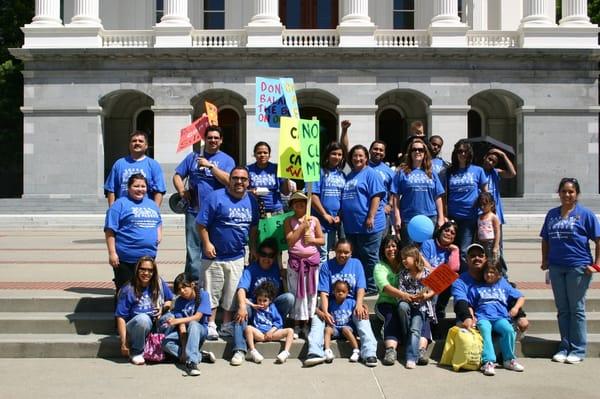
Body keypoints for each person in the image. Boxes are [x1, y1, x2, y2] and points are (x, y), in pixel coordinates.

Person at [540, 177, 600, 364]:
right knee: (563, 310)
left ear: (577, 194)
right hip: (557, 267)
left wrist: (596, 264)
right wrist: (545, 260)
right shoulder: (552, 214)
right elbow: (545, 239)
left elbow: (598, 240)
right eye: (564, 191)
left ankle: (578, 349)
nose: (567, 195)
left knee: (577, 309)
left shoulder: (585, 214)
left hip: (578, 267)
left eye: (571, 191)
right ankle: (564, 347)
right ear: (559, 193)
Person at [196, 166, 259, 340]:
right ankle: (210, 324)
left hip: (237, 256)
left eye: (243, 179)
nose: (239, 182)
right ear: (229, 179)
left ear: (248, 182)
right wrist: (207, 243)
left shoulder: (252, 201)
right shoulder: (215, 197)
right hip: (213, 256)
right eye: (235, 178)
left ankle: (225, 325)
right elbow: (201, 224)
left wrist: (252, 248)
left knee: (231, 293)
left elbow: (253, 228)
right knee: (211, 291)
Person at [173, 125, 235, 281]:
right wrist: (182, 191)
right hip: (194, 210)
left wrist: (210, 166)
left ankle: (212, 280)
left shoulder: (227, 160)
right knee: (193, 248)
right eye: (209, 138)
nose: (212, 140)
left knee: (213, 247)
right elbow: (177, 176)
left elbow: (230, 181)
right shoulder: (193, 157)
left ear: (221, 140)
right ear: (204, 139)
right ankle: (193, 282)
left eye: (216, 138)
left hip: (217, 212)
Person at [304, 239, 378, 367]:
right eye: (339, 252)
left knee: (362, 315)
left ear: (351, 253)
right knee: (318, 318)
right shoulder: (327, 266)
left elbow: (361, 288)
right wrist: (326, 312)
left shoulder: (356, 264)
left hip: (351, 304)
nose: (342, 255)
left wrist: (360, 304)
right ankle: (315, 352)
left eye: (346, 252)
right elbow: (324, 293)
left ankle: (369, 353)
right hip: (332, 305)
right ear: (334, 251)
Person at [230, 238, 294, 366]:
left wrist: (284, 275)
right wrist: (243, 306)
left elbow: (284, 290)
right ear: (258, 255)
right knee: (242, 310)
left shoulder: (276, 268)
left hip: (271, 305)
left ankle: (275, 327)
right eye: (264, 254)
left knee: (289, 298)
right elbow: (241, 290)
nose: (267, 258)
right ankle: (239, 350)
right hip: (255, 306)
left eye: (270, 256)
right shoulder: (251, 269)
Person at [452, 243, 529, 335]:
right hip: (469, 316)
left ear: (485, 259)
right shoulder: (460, 281)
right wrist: (468, 318)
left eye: (480, 256)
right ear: (466, 259)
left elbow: (509, 296)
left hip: (497, 316)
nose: (477, 258)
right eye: (472, 256)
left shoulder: (496, 277)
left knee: (517, 325)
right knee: (467, 328)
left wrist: (520, 315)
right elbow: (461, 303)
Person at [104, 173, 162, 291]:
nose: (140, 189)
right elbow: (110, 230)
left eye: (143, 186)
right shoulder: (119, 204)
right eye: (136, 186)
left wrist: (159, 234)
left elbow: (159, 221)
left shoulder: (152, 204)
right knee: (126, 293)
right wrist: (112, 253)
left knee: (145, 292)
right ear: (129, 188)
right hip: (126, 259)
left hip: (148, 258)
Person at [341, 145, 386, 294]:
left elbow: (376, 196)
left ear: (366, 158)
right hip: (352, 226)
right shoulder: (349, 175)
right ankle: (361, 285)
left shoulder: (371, 174)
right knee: (357, 256)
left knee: (370, 255)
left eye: (361, 156)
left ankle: (373, 287)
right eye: (355, 156)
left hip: (369, 224)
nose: (358, 159)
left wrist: (371, 216)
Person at [468, 261, 525, 376]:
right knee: (485, 330)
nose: (489, 275)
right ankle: (488, 361)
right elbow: (469, 304)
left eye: (492, 272)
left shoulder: (503, 284)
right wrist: (472, 316)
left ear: (498, 274)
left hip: (500, 317)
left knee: (508, 330)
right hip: (483, 317)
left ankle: (509, 359)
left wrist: (515, 308)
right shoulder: (477, 286)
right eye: (486, 272)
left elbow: (521, 297)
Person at [114, 256, 173, 365]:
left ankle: (166, 347)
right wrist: (123, 342)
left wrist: (163, 308)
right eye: (143, 269)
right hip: (135, 327)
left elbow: (169, 300)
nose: (146, 273)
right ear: (137, 270)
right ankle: (137, 351)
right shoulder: (128, 289)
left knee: (171, 318)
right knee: (143, 319)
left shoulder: (158, 283)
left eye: (150, 270)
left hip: (155, 323)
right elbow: (120, 317)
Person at [284, 191, 325, 338]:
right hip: (295, 263)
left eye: (302, 202)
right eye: (296, 202)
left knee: (310, 293)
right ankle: (296, 324)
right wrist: (301, 227)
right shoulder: (288, 221)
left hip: (312, 263)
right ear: (292, 205)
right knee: (296, 293)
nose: (299, 204)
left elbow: (322, 240)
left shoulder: (314, 220)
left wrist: (312, 240)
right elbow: (290, 240)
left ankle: (307, 323)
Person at [392, 137, 445, 244]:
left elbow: (438, 196)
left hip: (430, 218)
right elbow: (395, 197)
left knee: (427, 252)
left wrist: (441, 217)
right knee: (410, 253)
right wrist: (397, 217)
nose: (417, 152)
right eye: (414, 149)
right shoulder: (401, 172)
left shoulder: (431, 172)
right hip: (409, 219)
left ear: (425, 153)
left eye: (420, 150)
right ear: (410, 153)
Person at [161, 273, 215, 376]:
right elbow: (182, 327)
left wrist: (177, 321)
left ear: (192, 285)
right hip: (185, 332)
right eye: (179, 289)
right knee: (165, 343)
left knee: (193, 324)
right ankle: (200, 356)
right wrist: (184, 350)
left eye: (184, 287)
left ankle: (191, 363)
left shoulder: (204, 295)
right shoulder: (179, 301)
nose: (182, 291)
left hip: (200, 331)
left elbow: (197, 317)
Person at [446, 140, 488, 266]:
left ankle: (465, 278)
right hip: (452, 216)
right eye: (460, 151)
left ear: (469, 153)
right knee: (451, 249)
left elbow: (485, 194)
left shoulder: (478, 170)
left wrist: (487, 212)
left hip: (469, 217)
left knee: (464, 250)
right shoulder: (449, 171)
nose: (462, 154)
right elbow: (444, 195)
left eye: (465, 151)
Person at [397, 245, 436, 369]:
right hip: (407, 302)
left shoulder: (426, 272)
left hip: (421, 306)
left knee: (415, 329)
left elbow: (434, 289)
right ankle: (406, 335)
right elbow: (401, 290)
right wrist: (409, 296)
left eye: (406, 258)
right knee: (402, 306)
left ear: (415, 258)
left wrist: (425, 296)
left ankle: (411, 357)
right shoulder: (403, 274)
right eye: (402, 259)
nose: (403, 261)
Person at [104, 130, 166, 207]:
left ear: (146, 145)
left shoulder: (154, 165)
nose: (137, 143)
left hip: (145, 210)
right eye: (134, 141)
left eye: (140, 141)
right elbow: (111, 189)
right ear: (129, 145)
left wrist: (155, 210)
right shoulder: (119, 164)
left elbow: (159, 190)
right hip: (123, 209)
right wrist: (112, 209)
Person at [311, 140, 347, 264]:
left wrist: (339, 215)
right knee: (322, 255)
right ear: (327, 155)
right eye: (334, 154)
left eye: (339, 154)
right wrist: (324, 214)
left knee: (334, 253)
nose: (337, 157)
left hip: (335, 222)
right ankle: (320, 283)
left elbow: (344, 198)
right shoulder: (318, 172)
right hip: (320, 222)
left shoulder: (342, 175)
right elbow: (313, 195)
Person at [482, 148, 516, 274]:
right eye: (489, 159)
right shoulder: (478, 172)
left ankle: (502, 274)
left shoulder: (496, 173)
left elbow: (512, 173)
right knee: (484, 246)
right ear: (484, 158)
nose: (491, 162)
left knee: (497, 246)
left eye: (494, 161)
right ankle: (486, 272)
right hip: (482, 216)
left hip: (496, 216)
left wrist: (503, 155)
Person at [244, 281, 294, 364]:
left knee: (290, 331)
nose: (262, 303)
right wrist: (253, 305)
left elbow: (278, 322)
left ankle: (285, 353)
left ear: (270, 301)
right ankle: (253, 352)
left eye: (265, 300)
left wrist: (271, 331)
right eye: (259, 300)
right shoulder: (256, 306)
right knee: (248, 328)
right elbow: (244, 299)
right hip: (260, 334)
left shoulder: (272, 308)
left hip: (272, 334)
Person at [420, 220, 460, 321]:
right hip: (425, 281)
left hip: (441, 284)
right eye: (447, 230)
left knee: (452, 278)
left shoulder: (451, 251)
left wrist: (455, 251)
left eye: (452, 233)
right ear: (440, 231)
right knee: (441, 278)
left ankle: (439, 310)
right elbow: (425, 267)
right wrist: (440, 271)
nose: (449, 234)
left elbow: (453, 269)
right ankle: (432, 314)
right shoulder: (428, 244)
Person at [373, 235, 404, 365]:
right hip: (385, 303)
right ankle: (390, 350)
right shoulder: (379, 267)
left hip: (404, 303)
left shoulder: (405, 263)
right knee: (391, 315)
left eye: (394, 246)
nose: (391, 249)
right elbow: (385, 287)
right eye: (387, 246)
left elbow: (422, 269)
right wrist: (404, 295)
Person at [247, 141, 289, 214]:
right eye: (259, 153)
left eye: (265, 153)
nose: (262, 155)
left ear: (269, 155)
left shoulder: (277, 168)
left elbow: (286, 192)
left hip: (276, 210)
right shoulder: (248, 169)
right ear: (254, 154)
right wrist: (251, 191)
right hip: (255, 209)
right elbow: (243, 190)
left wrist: (286, 178)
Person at [323, 280, 360, 363]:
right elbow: (320, 309)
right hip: (335, 329)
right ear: (333, 291)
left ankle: (356, 350)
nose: (340, 293)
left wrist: (365, 308)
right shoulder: (331, 303)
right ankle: (327, 351)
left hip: (348, 328)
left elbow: (362, 307)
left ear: (347, 293)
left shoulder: (351, 302)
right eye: (338, 291)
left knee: (345, 329)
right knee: (327, 329)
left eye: (343, 291)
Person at [369, 140, 395, 231]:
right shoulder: (362, 166)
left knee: (383, 242)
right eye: (375, 149)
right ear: (370, 150)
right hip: (364, 211)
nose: (378, 152)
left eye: (381, 150)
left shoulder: (389, 171)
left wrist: (389, 205)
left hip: (381, 213)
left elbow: (394, 191)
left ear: (384, 153)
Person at [476, 192, 501, 264]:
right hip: (481, 242)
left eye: (485, 204)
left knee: (491, 263)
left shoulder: (493, 217)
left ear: (491, 204)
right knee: (483, 262)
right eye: (481, 204)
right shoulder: (479, 217)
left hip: (490, 243)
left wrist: (496, 246)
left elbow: (497, 232)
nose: (482, 207)